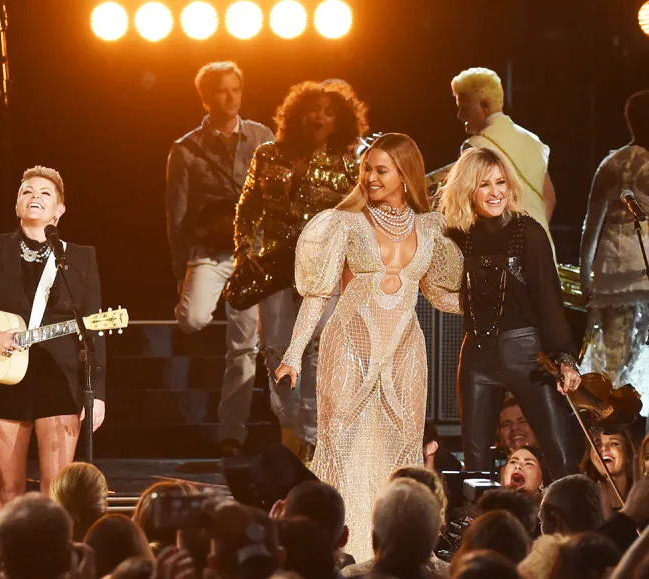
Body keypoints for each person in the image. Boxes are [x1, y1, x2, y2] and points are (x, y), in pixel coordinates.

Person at [274, 133, 464, 560]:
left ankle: (400, 549)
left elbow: (440, 294)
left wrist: (498, 307)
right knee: (340, 444)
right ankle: (335, 549)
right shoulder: (345, 223)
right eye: (367, 169)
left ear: (405, 174)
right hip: (350, 345)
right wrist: (292, 354)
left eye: (381, 170)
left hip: (404, 350)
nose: (370, 177)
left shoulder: (430, 226)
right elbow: (318, 294)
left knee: (402, 446)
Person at [0, 165, 106, 519]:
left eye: (45, 193)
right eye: (27, 192)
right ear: (16, 205)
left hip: (59, 381)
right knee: (9, 489)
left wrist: (97, 393)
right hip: (5, 378)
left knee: (57, 491)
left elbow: (91, 331)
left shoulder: (80, 257)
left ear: (59, 210)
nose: (35, 197)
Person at [227, 80, 367, 461]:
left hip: (325, 269)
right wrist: (245, 251)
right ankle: (291, 430)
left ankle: (317, 437)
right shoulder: (268, 154)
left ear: (340, 121)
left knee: (320, 350)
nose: (320, 117)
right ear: (297, 113)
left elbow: (359, 219)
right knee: (276, 350)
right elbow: (247, 207)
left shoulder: (347, 162)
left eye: (330, 111)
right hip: (273, 266)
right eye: (314, 109)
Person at [440, 146, 583, 481]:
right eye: (484, 185)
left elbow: (549, 300)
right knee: (475, 465)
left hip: (527, 357)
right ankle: (483, 529)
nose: (495, 192)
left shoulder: (528, 233)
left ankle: (573, 527)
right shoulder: (461, 234)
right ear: (468, 189)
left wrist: (564, 357)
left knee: (561, 457)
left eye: (500, 182)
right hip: (476, 355)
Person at [165, 61, 274, 456]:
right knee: (192, 320)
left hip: (252, 255)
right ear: (206, 96)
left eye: (236, 89)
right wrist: (181, 272)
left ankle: (232, 434)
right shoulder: (186, 148)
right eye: (222, 91)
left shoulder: (262, 136)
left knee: (244, 348)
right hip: (209, 252)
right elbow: (176, 214)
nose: (231, 97)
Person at [579, 90, 649, 418]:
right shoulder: (614, 164)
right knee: (625, 366)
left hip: (612, 277)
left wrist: (585, 276)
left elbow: (590, 226)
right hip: (625, 280)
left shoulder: (612, 163)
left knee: (617, 365)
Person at [450, 67, 557, 258]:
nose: (459, 116)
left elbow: (468, 206)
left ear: (484, 105)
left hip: (503, 252)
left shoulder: (475, 146)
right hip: (542, 247)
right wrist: (534, 233)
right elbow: (549, 198)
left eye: (463, 108)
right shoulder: (533, 140)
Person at [581, 429, 643, 519]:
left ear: (628, 455)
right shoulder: (583, 500)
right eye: (597, 445)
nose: (604, 448)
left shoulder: (643, 497)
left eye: (614, 443)